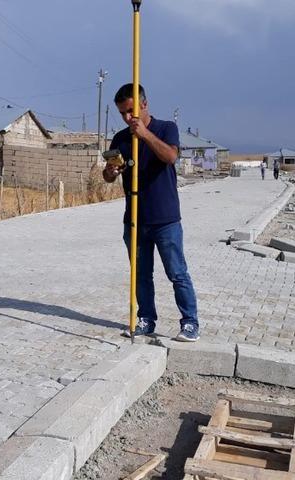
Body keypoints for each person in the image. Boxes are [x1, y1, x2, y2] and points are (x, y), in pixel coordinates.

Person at [102, 83, 199, 342]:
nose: (127, 117)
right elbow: (109, 175)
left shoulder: (166, 128)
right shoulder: (120, 139)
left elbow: (170, 156)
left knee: (177, 272)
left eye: (130, 111)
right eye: (122, 113)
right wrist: (110, 172)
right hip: (134, 219)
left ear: (144, 104)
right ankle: (146, 319)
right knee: (141, 274)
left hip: (165, 219)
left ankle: (190, 322)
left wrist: (144, 134)